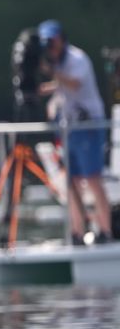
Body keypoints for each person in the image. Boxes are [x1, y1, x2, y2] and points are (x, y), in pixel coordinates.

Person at [38, 19, 112, 245]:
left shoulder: (76, 58)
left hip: (88, 126)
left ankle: (105, 230)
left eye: (52, 41)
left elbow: (76, 84)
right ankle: (77, 231)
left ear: (61, 39)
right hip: (68, 127)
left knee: (92, 179)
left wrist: (51, 73)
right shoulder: (57, 63)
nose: (50, 46)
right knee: (71, 180)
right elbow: (62, 88)